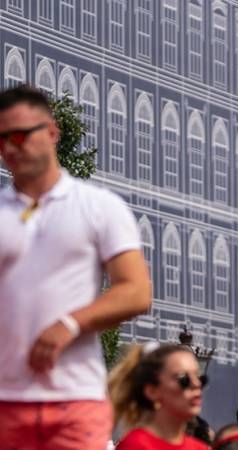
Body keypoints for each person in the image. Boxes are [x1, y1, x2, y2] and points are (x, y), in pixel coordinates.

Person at [0, 84, 151, 450]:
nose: (11, 147)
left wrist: (69, 324)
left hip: (75, 399)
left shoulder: (99, 207)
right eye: (2, 138)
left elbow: (136, 291)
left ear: (52, 132)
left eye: (20, 135)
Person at [108, 343, 208, 450]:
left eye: (200, 378)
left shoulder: (199, 448)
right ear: (152, 391)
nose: (196, 384)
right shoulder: (136, 446)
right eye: (184, 379)